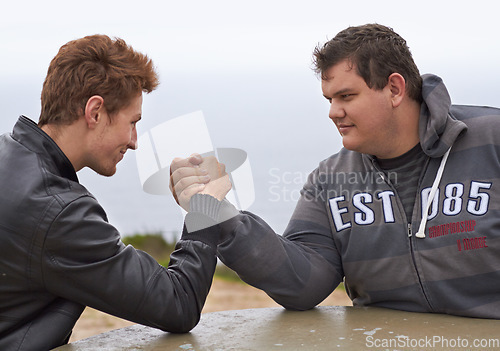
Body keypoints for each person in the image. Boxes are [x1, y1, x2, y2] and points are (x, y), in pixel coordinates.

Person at [170, 23, 500, 319]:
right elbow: (302, 283)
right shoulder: (330, 178)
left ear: (395, 89)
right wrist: (220, 215)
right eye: (329, 98)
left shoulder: (492, 140)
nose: (332, 112)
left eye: (346, 96)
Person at [0, 35, 231, 351]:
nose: (135, 141)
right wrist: (203, 210)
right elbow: (179, 303)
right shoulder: (57, 212)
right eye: (132, 122)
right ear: (95, 112)